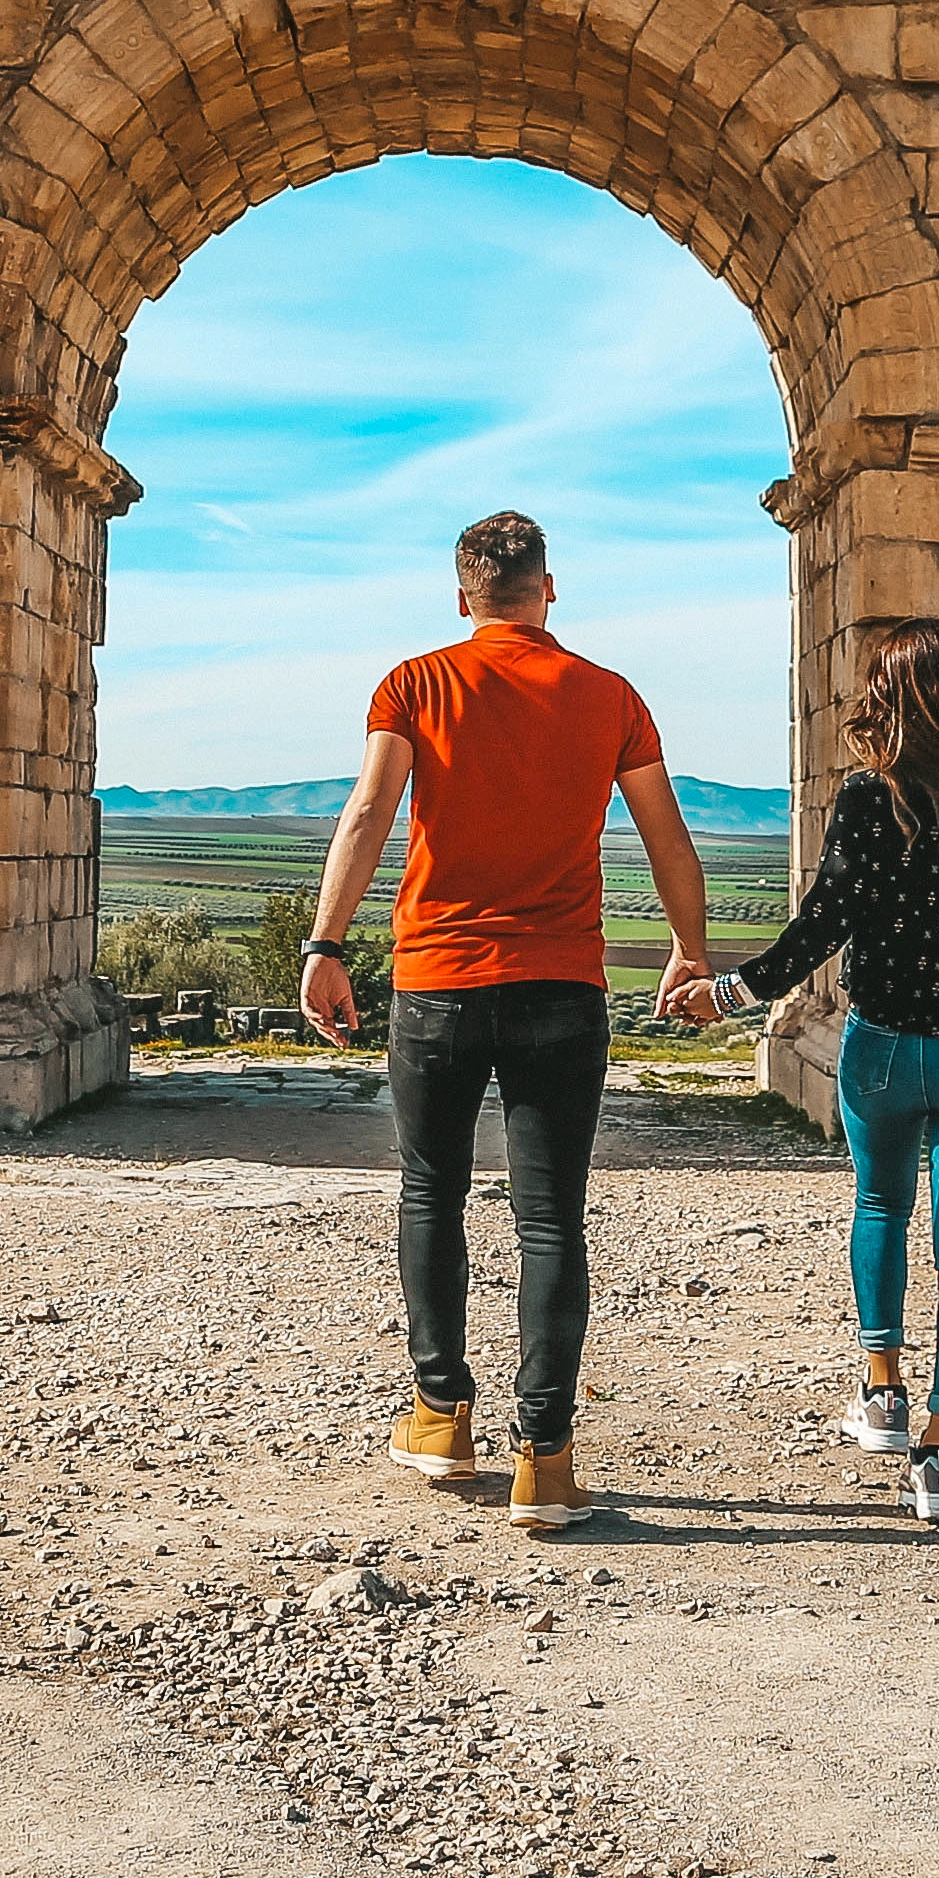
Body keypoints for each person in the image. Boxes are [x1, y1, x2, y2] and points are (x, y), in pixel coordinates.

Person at [299, 511, 709, 1534]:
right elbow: (665, 835)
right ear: (548, 589)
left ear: (462, 595)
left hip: (436, 980)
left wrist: (325, 944)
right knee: (549, 1218)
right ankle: (547, 1459)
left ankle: (440, 1416)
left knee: (431, 1194)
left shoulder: (413, 683)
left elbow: (366, 814)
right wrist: (690, 949)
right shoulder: (611, 697)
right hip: (561, 986)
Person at [668, 617, 939, 1530]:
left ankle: (880, 1390)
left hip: (881, 1047)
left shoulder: (866, 797)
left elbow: (820, 926)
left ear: (884, 699)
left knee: (880, 1206)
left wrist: (725, 993)